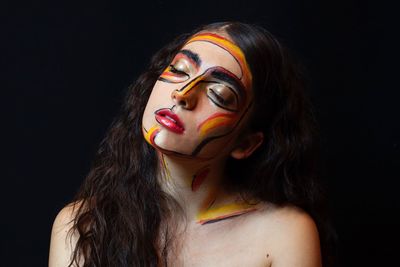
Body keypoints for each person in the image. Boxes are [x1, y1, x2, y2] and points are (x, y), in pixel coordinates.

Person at [49, 21, 335, 266]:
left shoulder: (283, 234)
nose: (183, 94)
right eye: (180, 70)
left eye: (220, 95)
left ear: (246, 144)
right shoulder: (82, 226)